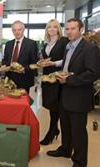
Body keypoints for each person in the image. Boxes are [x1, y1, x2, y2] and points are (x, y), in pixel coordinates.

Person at [47, 18, 100, 167]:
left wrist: (69, 80)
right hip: (65, 94)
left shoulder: (90, 48)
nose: (69, 32)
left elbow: (93, 73)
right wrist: (60, 75)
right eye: (68, 29)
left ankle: (79, 161)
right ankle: (65, 149)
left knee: (78, 131)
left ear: (81, 29)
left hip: (79, 96)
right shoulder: (68, 47)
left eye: (73, 29)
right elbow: (67, 68)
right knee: (65, 126)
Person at [39, 19, 69, 145]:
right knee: (50, 106)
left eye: (54, 27)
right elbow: (45, 59)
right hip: (47, 78)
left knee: (55, 107)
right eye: (49, 27)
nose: (51, 29)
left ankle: (51, 133)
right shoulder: (46, 44)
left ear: (58, 29)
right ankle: (55, 130)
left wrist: (54, 63)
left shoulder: (63, 41)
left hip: (57, 78)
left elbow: (68, 59)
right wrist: (41, 62)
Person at [2, 20, 38, 93]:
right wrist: (5, 65)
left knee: (23, 103)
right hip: (9, 80)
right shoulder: (8, 44)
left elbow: (34, 63)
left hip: (24, 80)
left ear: (23, 30)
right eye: (14, 30)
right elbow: (5, 60)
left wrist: (24, 69)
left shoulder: (31, 44)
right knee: (9, 102)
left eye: (19, 29)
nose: (17, 32)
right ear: (12, 31)